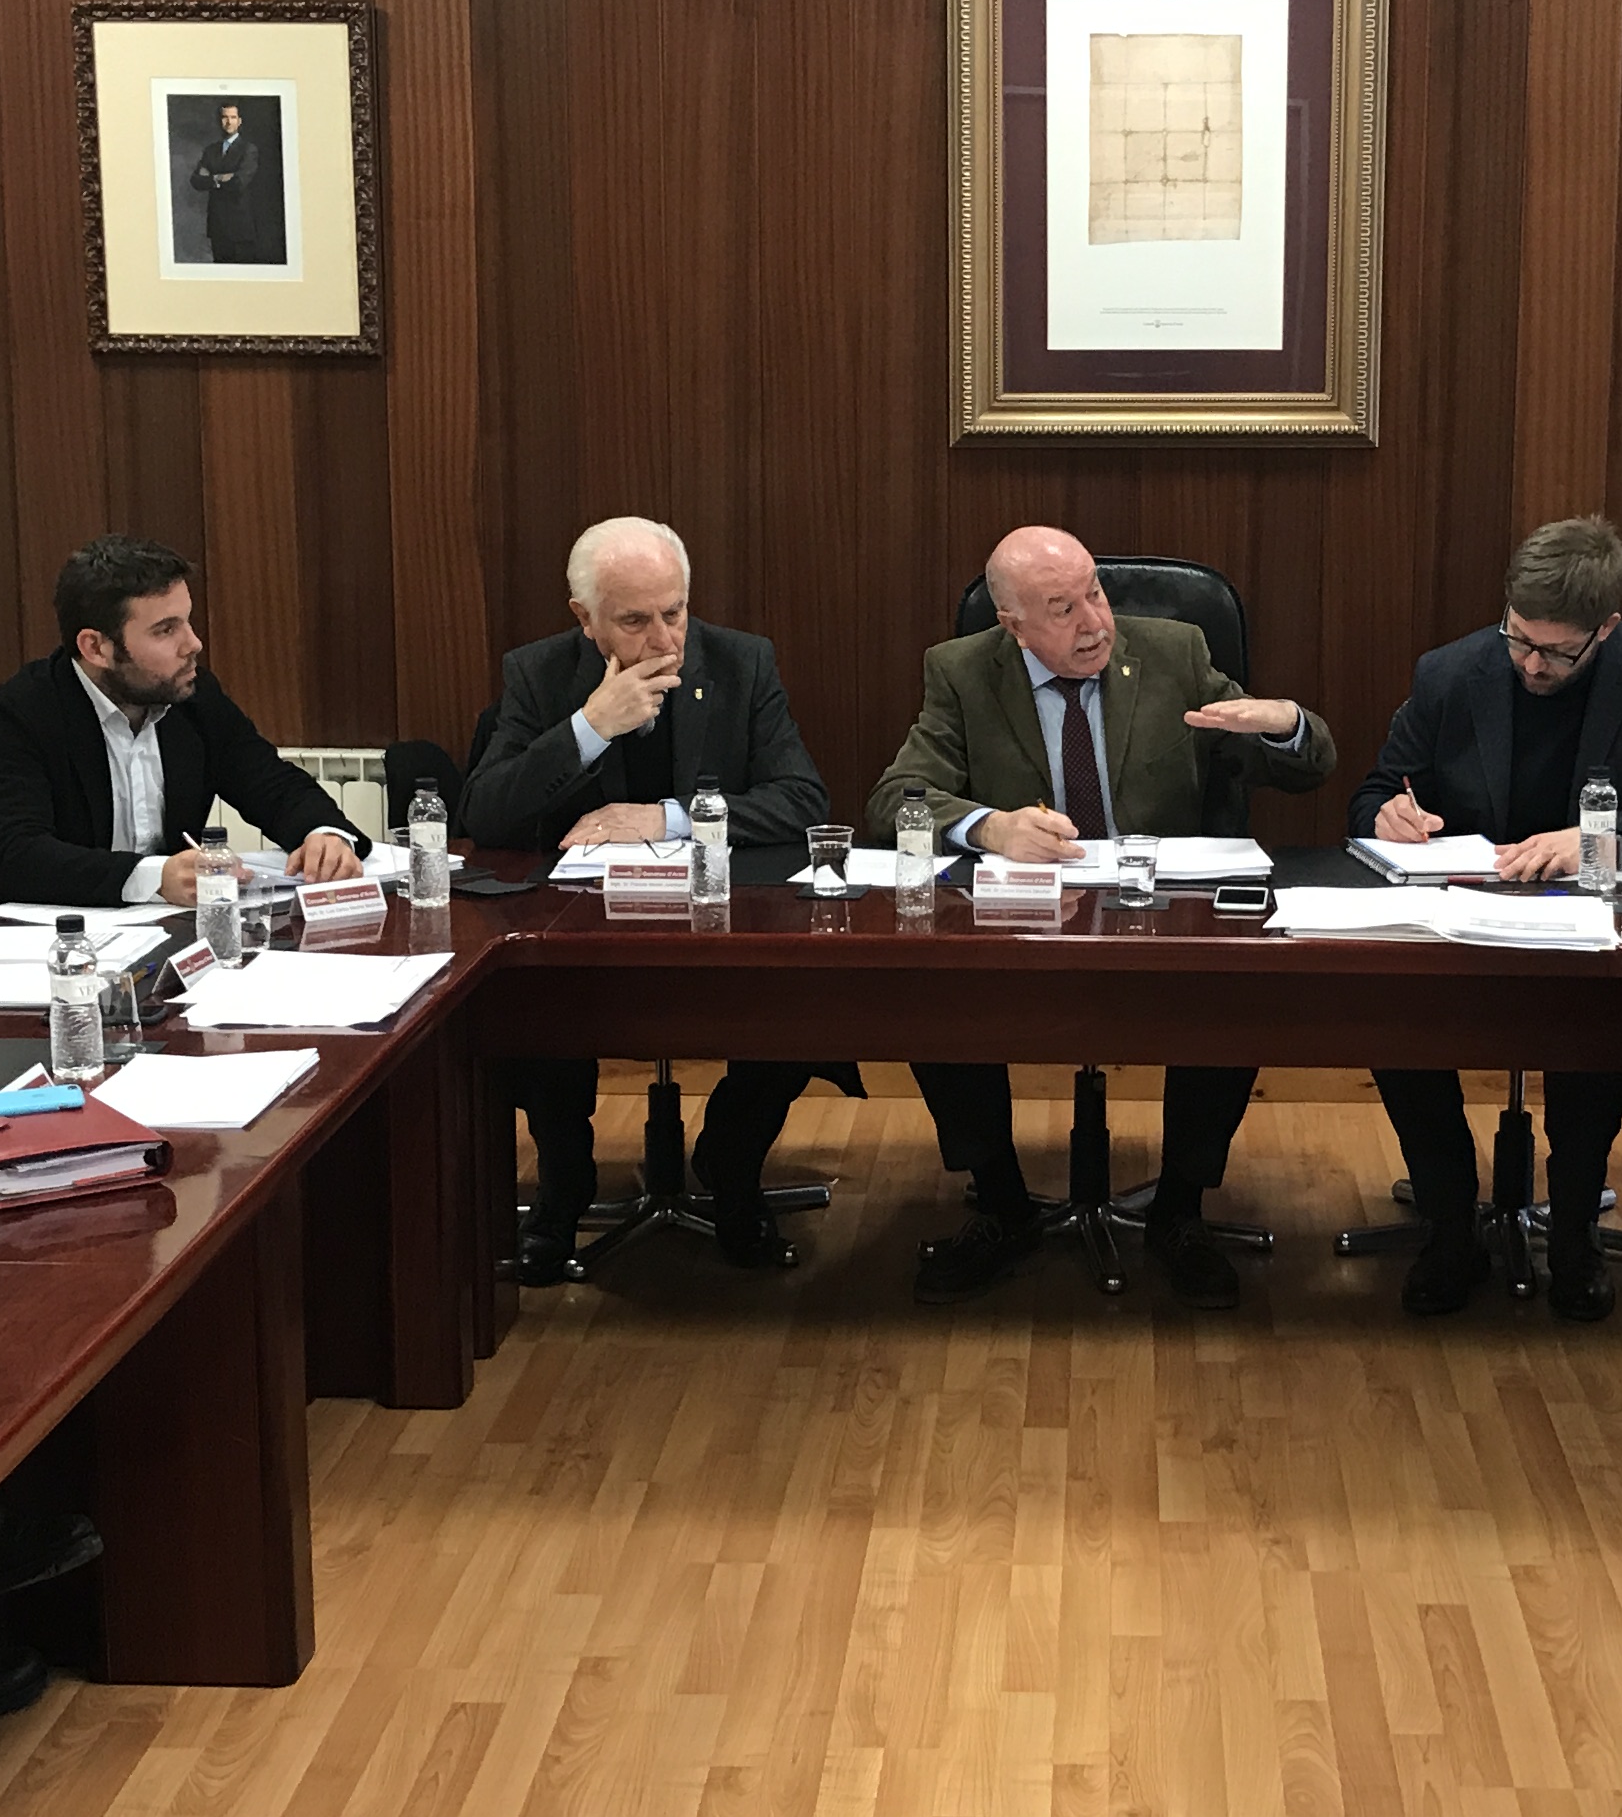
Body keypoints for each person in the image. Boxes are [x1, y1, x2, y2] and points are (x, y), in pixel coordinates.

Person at [867, 525, 1335, 1311]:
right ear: (1012, 625)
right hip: (1026, 922)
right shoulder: (962, 671)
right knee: (931, 981)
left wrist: (1285, 723)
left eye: (1096, 593)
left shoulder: (1176, 653)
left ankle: (1181, 1210)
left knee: (1235, 983)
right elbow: (894, 799)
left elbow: (1308, 761)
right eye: (1063, 608)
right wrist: (990, 827)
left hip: (1163, 917)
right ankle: (1002, 1204)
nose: (1094, 622)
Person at [1348, 516, 1622, 1321]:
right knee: (1395, 1010)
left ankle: (1576, 1233)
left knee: (1598, 1023)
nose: (1532, 664)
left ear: (1606, 630)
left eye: (1556, 652)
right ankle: (1449, 1224)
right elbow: (1376, 789)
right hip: (1461, 917)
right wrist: (1388, 817)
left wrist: (1590, 841)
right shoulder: (1450, 672)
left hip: (1585, 927)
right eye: (1519, 639)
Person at [465, 516, 833, 1278]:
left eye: (675, 612)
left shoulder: (741, 663)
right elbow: (485, 814)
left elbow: (802, 800)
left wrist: (665, 819)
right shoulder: (539, 675)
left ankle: (732, 1169)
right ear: (586, 618)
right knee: (529, 998)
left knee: (805, 995)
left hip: (720, 919)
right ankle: (563, 1191)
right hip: (581, 928)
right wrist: (588, 729)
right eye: (635, 621)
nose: (664, 640)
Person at [0, 534, 366, 912]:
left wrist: (323, 834)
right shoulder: (21, 712)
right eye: (166, 630)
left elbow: (271, 783)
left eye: (187, 621)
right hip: (36, 941)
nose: (193, 644)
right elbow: (14, 856)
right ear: (96, 648)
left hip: (160, 933)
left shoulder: (192, 696)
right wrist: (153, 877)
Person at [188, 102, 278, 266]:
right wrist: (219, 178)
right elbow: (196, 181)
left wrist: (211, 177)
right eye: (225, 117)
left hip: (240, 227)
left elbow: (239, 182)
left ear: (239, 121)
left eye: (233, 117)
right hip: (217, 225)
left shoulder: (248, 150)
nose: (229, 122)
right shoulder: (211, 150)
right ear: (219, 120)